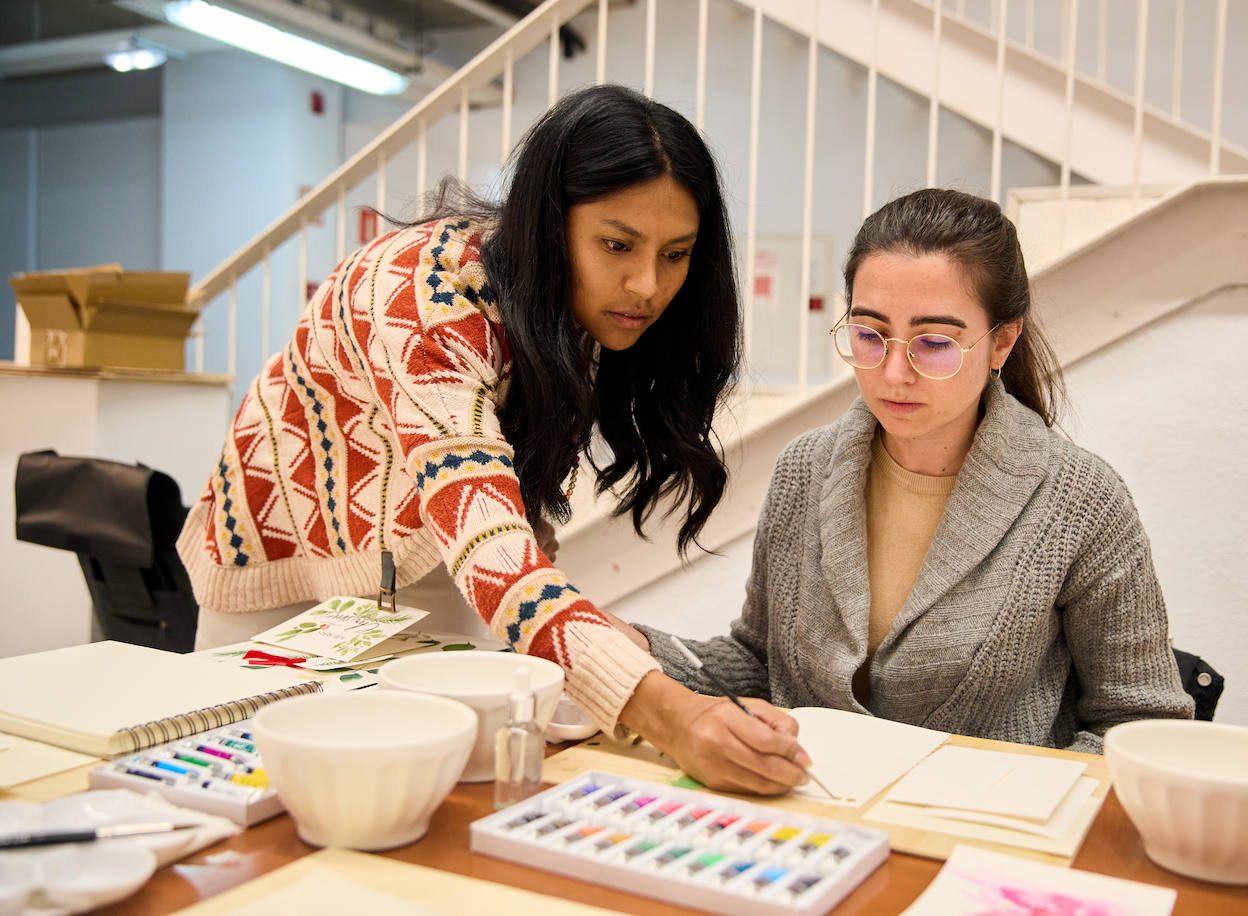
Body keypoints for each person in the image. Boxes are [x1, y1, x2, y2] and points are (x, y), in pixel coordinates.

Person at [177, 84, 812, 791]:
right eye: (617, 244)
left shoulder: (572, 307)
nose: (646, 285)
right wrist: (674, 718)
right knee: (263, 803)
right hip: (283, 581)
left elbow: (504, 521)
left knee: (459, 796)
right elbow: (493, 549)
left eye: (677, 253)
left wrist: (619, 676)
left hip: (425, 567)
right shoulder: (420, 295)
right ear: (548, 222)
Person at [626, 188, 1194, 756]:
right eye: (870, 334)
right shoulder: (806, 469)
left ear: (1002, 340)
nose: (894, 373)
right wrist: (637, 650)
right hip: (817, 814)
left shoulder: (1079, 502)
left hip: (981, 831)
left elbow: (1139, 723)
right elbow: (758, 662)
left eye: (935, 343)